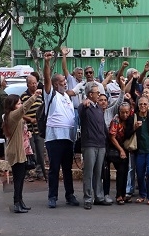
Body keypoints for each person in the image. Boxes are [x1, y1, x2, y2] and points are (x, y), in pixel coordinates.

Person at [42, 52, 81, 208]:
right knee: (54, 169)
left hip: (68, 138)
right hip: (55, 138)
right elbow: (46, 79)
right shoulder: (50, 95)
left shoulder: (66, 97)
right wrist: (47, 63)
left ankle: (69, 195)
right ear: (55, 84)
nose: (65, 83)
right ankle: (52, 197)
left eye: (65, 81)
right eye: (62, 82)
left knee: (67, 169)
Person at [3, 92, 41, 213]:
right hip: (16, 151)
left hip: (21, 150)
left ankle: (20, 201)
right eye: (18, 103)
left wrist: (26, 133)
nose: (20, 105)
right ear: (12, 105)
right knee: (18, 179)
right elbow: (25, 108)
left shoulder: (14, 116)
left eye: (20, 103)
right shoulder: (12, 115)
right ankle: (16, 203)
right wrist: (34, 96)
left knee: (21, 178)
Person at [78, 82, 108, 209]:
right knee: (89, 173)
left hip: (101, 144)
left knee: (98, 172)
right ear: (90, 94)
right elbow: (81, 111)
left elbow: (103, 126)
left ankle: (99, 196)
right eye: (97, 93)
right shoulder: (85, 106)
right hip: (89, 144)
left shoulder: (98, 108)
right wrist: (84, 103)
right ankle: (88, 198)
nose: (99, 95)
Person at [108, 102, 135, 204]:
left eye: (127, 112)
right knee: (120, 170)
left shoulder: (130, 118)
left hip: (125, 146)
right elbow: (112, 137)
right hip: (115, 147)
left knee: (125, 171)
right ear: (119, 112)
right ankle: (119, 195)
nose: (125, 114)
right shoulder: (116, 120)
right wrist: (121, 150)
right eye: (122, 112)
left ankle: (123, 194)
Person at [20, 75, 46, 181]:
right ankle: (27, 172)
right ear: (27, 84)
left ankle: (40, 172)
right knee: (29, 151)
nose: (34, 85)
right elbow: (20, 112)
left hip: (38, 128)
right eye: (32, 83)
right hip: (28, 129)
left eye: (35, 83)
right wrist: (30, 119)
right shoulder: (23, 96)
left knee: (40, 151)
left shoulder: (40, 96)